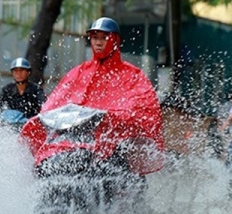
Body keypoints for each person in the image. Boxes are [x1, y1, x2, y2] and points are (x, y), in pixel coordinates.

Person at [20, 17, 165, 177]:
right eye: (95, 37)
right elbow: (53, 105)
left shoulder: (133, 75)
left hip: (113, 144)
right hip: (72, 142)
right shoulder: (78, 72)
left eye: (104, 37)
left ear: (115, 40)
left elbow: (142, 111)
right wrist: (43, 118)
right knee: (44, 166)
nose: (98, 42)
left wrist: (111, 119)